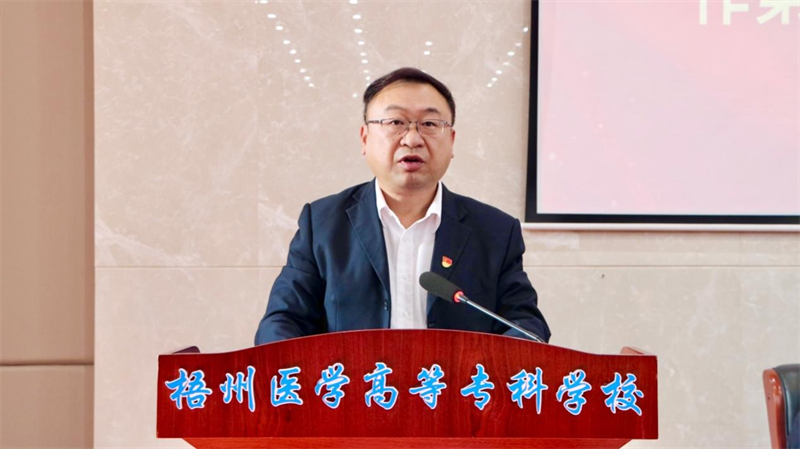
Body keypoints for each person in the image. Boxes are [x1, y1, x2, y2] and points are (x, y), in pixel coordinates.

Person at [255, 67, 550, 345]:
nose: (412, 139)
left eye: (430, 124)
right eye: (395, 123)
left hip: (455, 384)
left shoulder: (495, 231)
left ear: (451, 141)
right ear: (365, 138)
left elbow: (524, 324)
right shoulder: (322, 224)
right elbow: (283, 321)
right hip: (355, 383)